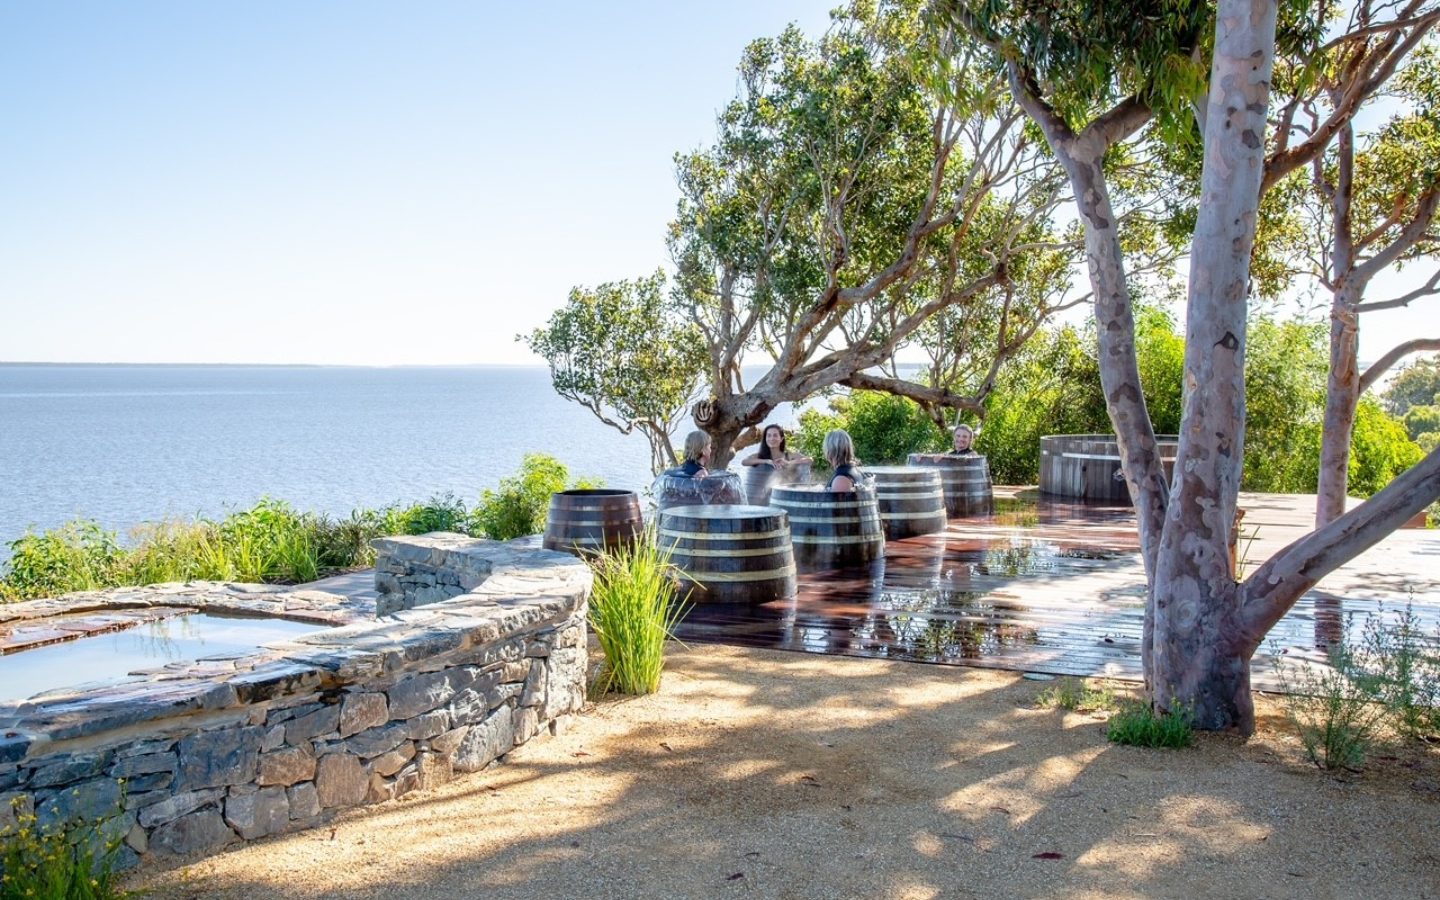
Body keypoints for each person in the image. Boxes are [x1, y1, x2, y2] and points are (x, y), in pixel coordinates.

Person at [741, 425, 813, 474]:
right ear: (765, 439)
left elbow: (810, 460)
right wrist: (767, 461)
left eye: (775, 435)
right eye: (768, 436)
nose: (771, 438)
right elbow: (744, 462)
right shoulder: (760, 456)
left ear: (781, 439)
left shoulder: (789, 456)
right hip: (761, 494)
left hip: (784, 495)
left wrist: (788, 463)